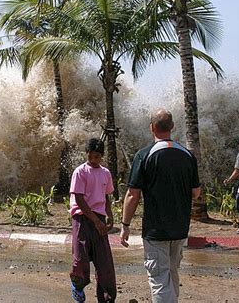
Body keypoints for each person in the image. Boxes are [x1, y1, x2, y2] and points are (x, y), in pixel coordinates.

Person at [120, 109, 201, 303]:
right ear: (172, 127)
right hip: (180, 229)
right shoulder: (187, 156)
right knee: (172, 273)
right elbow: (196, 192)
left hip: (156, 229)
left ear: (151, 128)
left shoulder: (144, 155)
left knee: (159, 277)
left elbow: (133, 194)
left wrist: (125, 225)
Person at [69, 138, 116, 303]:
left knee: (104, 261)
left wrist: (109, 215)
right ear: (86, 154)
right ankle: (78, 286)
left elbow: (106, 196)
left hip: (99, 217)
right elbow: (80, 199)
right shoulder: (80, 172)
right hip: (82, 218)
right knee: (80, 257)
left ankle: (106, 296)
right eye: (91, 156)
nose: (94, 160)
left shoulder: (105, 173)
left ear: (102, 156)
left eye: (97, 157)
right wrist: (96, 221)